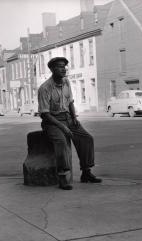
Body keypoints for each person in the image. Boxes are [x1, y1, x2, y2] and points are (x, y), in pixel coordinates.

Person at [38, 57, 102, 190]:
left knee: (87, 138)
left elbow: (70, 102)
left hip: (68, 118)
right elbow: (45, 114)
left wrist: (74, 118)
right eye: (59, 67)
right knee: (62, 142)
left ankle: (86, 172)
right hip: (52, 122)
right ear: (52, 69)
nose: (63, 69)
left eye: (64, 66)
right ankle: (63, 177)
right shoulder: (45, 88)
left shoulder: (66, 82)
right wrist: (62, 127)